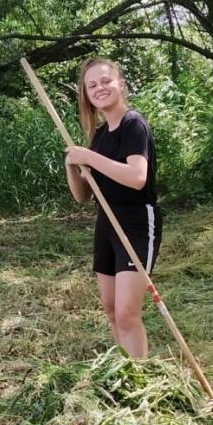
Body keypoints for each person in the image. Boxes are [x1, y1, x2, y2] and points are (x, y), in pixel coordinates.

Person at [63, 57, 161, 359]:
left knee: (127, 314)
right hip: (106, 224)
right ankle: (125, 372)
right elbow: (82, 196)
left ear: (120, 84)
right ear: (86, 95)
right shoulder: (99, 136)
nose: (99, 88)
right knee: (111, 309)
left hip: (135, 223)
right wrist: (72, 163)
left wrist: (89, 158)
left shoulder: (134, 124)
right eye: (91, 85)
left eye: (105, 81)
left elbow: (136, 177)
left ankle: (141, 379)